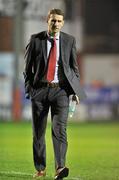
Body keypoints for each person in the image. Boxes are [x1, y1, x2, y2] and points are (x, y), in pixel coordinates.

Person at [24, 8, 86, 179]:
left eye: (59, 21)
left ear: (63, 22)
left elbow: (74, 68)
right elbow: (27, 69)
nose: (56, 23)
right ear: (47, 20)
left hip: (61, 91)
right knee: (38, 132)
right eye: (53, 20)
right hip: (40, 91)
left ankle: (60, 168)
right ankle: (40, 168)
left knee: (60, 129)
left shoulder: (69, 41)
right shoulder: (35, 40)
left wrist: (75, 91)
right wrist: (30, 90)